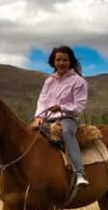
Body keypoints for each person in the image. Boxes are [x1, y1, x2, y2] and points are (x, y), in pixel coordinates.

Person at [32, 46, 90, 188]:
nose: (61, 63)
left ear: (70, 62)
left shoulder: (79, 81)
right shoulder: (49, 80)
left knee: (66, 133)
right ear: (53, 61)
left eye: (65, 60)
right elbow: (42, 100)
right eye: (58, 60)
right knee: (27, 134)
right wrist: (38, 116)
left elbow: (80, 106)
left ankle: (80, 174)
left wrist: (62, 108)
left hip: (68, 118)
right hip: (47, 117)